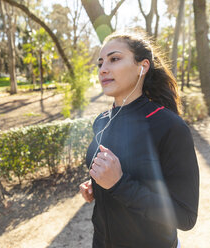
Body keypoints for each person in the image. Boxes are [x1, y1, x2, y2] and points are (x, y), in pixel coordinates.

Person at [79, 30, 199, 248]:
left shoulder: (170, 126)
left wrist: (118, 184)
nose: (103, 69)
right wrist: (97, 186)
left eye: (114, 59)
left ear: (142, 67)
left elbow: (186, 216)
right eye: (100, 63)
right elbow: (135, 175)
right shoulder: (101, 121)